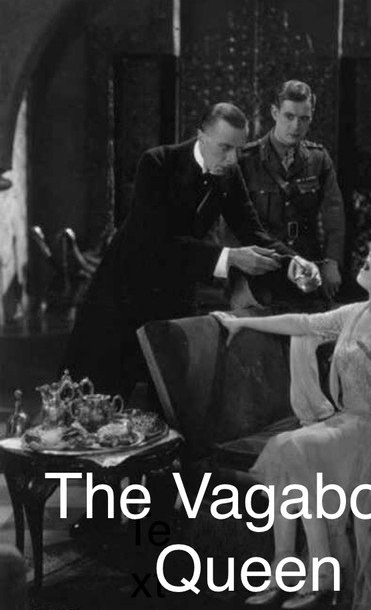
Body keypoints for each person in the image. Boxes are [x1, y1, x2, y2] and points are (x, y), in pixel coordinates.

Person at [213, 225, 371, 610]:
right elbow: (304, 323)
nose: (370, 254)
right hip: (345, 423)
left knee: (291, 448)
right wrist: (240, 324)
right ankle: (292, 567)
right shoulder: (356, 313)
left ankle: (309, 569)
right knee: (289, 453)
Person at [62, 103, 321, 400]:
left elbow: (253, 231)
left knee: (169, 401)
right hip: (122, 293)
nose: (232, 159)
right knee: (94, 399)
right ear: (201, 136)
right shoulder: (157, 162)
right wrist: (230, 257)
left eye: (238, 149)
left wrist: (294, 262)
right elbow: (154, 242)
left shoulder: (229, 171)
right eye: (225, 148)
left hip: (173, 295)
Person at [238, 80, 345, 309]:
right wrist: (239, 280)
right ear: (274, 113)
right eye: (289, 116)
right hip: (260, 273)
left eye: (304, 118)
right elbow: (232, 225)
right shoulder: (247, 160)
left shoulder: (318, 159)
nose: (296, 126)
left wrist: (332, 261)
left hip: (307, 272)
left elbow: (334, 216)